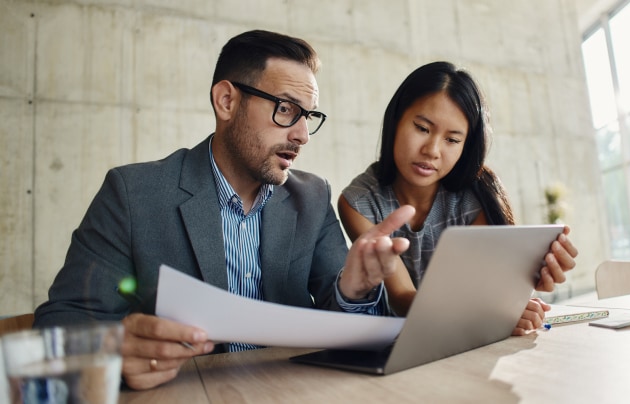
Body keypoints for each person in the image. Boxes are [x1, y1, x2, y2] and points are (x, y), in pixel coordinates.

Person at [33, 30, 415, 391]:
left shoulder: (312, 197)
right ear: (226, 101)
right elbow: (60, 325)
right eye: (285, 109)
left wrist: (355, 288)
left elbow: (343, 330)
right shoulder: (133, 194)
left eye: (308, 116)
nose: (300, 134)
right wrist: (114, 348)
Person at [338, 61, 579, 334]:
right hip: (403, 343)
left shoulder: (477, 196)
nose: (432, 150)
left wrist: (523, 285)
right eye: (422, 128)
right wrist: (485, 313)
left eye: (452, 140)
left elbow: (487, 286)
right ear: (395, 121)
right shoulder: (359, 202)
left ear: (466, 146)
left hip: (470, 340)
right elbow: (403, 297)